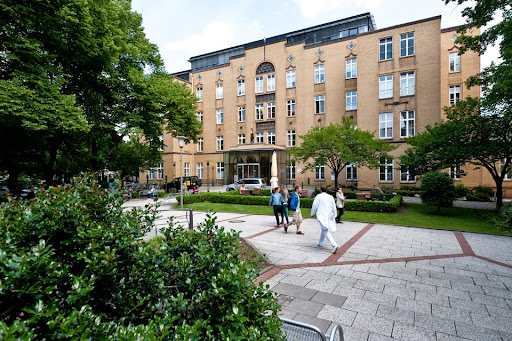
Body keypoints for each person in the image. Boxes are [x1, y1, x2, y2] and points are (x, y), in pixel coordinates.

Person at [311, 186, 339, 253]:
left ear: (320, 190)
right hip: (328, 215)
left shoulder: (319, 196)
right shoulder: (330, 197)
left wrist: (312, 213)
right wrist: (335, 214)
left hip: (321, 215)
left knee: (324, 229)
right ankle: (320, 243)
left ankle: (334, 245)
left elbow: (315, 205)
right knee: (324, 228)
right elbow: (333, 206)